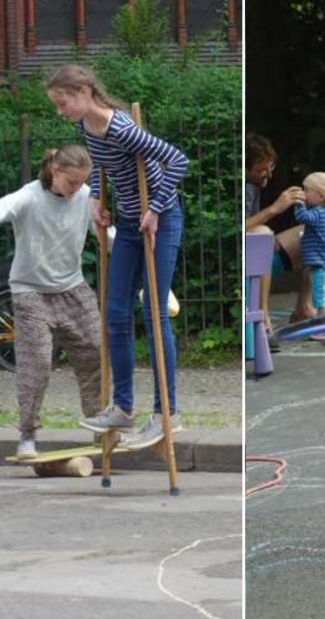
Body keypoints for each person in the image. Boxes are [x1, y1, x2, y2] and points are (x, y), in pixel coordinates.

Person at [46, 64, 189, 450]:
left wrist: (156, 208)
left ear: (83, 91)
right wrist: (95, 197)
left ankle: (167, 414)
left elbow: (177, 160)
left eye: (63, 102)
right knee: (115, 314)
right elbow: (103, 167)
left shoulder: (122, 128)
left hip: (159, 219)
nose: (61, 111)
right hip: (127, 223)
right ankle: (123, 408)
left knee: (154, 314)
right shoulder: (86, 129)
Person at [0, 146, 102, 458]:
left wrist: (118, 241)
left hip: (73, 288)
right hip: (30, 292)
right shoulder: (29, 197)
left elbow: (102, 231)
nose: (76, 190)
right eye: (71, 182)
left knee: (96, 351)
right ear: (55, 171)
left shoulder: (84, 195)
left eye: (81, 183)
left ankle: (100, 426)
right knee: (37, 364)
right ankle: (27, 435)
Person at [244, 133, 310, 345]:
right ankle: (264, 320)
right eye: (260, 170)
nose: (267, 175)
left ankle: (303, 309)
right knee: (262, 234)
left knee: (310, 233)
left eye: (269, 168)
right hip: (248, 255)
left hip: (258, 250)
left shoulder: (254, 186)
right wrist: (275, 208)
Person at [294, 172, 325, 317]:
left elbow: (302, 217)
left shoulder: (318, 213)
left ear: (321, 196)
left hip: (322, 266)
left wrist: (298, 203)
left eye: (306, 191)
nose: (303, 194)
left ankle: (324, 329)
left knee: (322, 300)